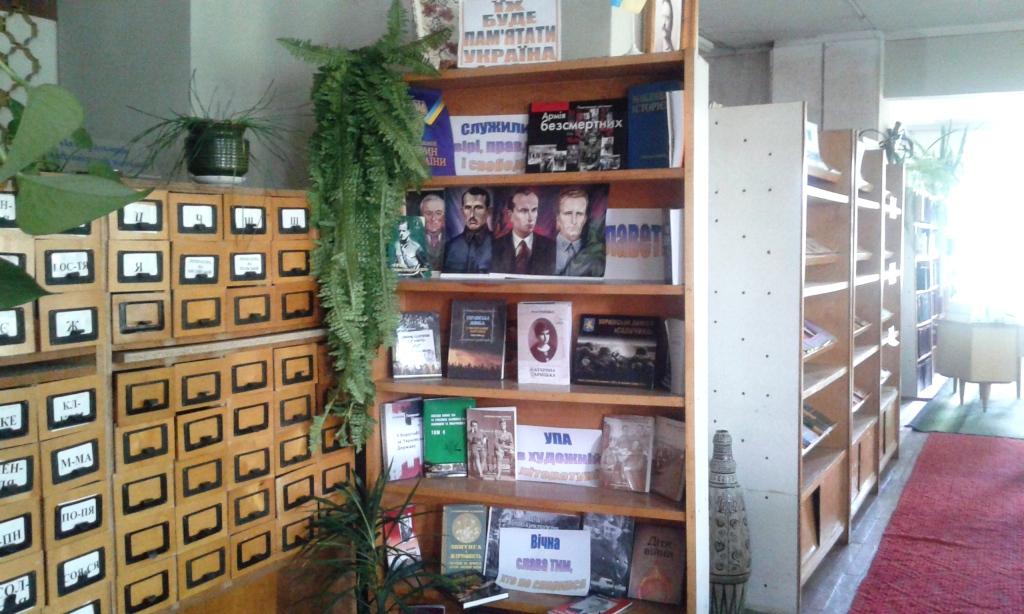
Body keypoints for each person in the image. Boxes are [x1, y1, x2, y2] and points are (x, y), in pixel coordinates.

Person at [491, 188, 555, 275]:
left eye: (534, 210)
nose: (530, 218)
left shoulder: (550, 247)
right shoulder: (495, 247)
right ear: (510, 215)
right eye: (524, 211)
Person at [555, 186, 604, 277]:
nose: (574, 221)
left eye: (579, 214)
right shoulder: (540, 250)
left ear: (585, 219)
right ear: (558, 218)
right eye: (568, 213)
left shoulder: (595, 253)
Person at [443, 187, 493, 273]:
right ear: (462, 211)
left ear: (488, 211)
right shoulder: (449, 247)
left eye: (478, 207)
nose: (472, 215)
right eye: (468, 208)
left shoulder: (499, 246)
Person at [419, 193, 446, 270]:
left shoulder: (452, 238)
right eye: (428, 213)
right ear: (421, 216)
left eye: (438, 213)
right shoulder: (413, 238)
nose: (433, 218)